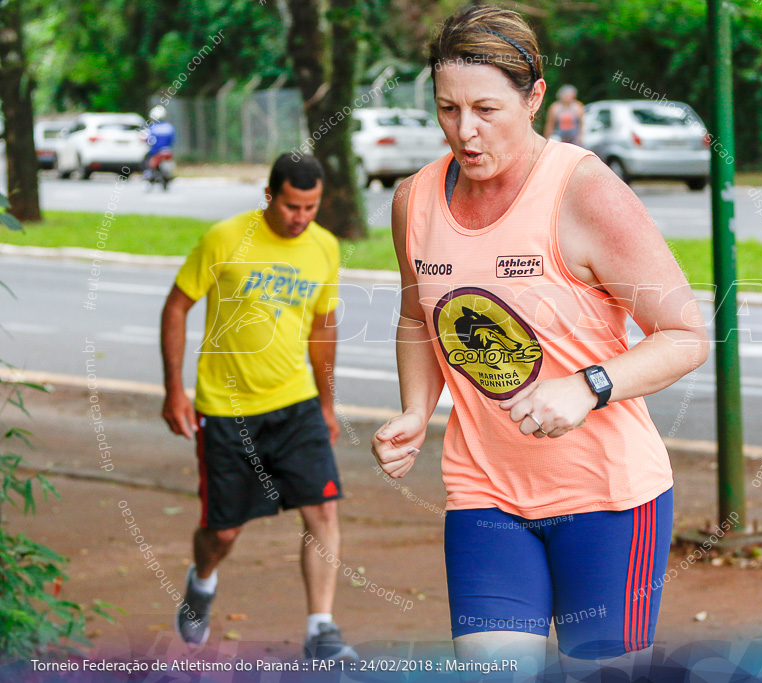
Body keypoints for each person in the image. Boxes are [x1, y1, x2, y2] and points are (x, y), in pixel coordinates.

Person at [370, 6, 709, 678]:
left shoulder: (584, 193)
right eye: (447, 108)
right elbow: (418, 316)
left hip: (607, 500)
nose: (465, 131)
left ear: (535, 99)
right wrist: (415, 408)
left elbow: (686, 335)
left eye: (486, 109)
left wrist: (588, 387)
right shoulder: (414, 200)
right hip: (484, 493)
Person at [160, 154, 356, 662]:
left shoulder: (325, 249)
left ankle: (321, 630)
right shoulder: (225, 239)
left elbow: (322, 329)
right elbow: (177, 307)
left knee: (323, 510)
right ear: (271, 196)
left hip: (296, 406)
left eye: (311, 207)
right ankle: (201, 581)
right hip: (226, 414)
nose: (301, 217)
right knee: (223, 532)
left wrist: (328, 404)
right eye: (293, 206)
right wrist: (174, 390)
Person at [143, 106, 175, 180]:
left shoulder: (152, 127)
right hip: (167, 150)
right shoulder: (169, 126)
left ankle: (147, 173)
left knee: (146, 159)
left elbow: (148, 139)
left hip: (156, 152)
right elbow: (172, 140)